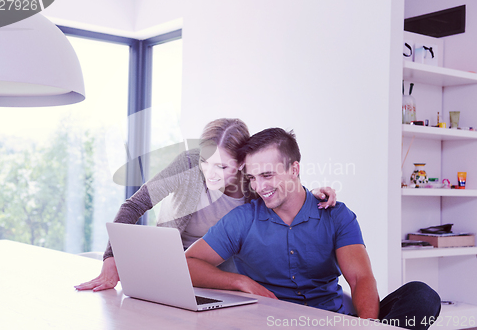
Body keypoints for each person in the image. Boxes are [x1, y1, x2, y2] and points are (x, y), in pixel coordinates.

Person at [185, 128, 441, 330]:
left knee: (422, 296)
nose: (259, 187)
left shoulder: (336, 215)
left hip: (333, 320)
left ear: (294, 169)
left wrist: (367, 325)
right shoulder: (242, 220)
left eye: (267, 175)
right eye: (252, 178)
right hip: (272, 323)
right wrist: (240, 281)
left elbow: (360, 278)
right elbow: (189, 263)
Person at [75, 119, 336, 292]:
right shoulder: (188, 164)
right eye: (205, 162)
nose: (210, 174)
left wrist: (310, 193)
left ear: (243, 164)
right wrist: (111, 258)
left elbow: (279, 191)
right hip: (173, 262)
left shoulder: (254, 187)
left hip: (226, 270)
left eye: (222, 167)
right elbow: (135, 205)